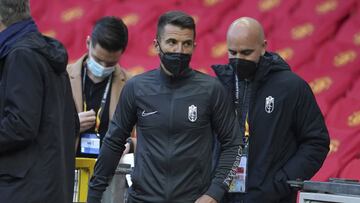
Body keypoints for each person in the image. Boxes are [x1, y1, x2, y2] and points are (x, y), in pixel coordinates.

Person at [87, 11, 242, 203]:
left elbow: (233, 144)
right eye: (171, 42)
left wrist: (215, 192)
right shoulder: (136, 88)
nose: (179, 50)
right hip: (142, 199)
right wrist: (94, 195)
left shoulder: (211, 90)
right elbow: (113, 143)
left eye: (186, 44)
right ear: (156, 45)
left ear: (194, 46)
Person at [212, 17, 330, 203]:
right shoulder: (218, 87)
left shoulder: (292, 88)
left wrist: (280, 183)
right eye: (232, 52)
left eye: (246, 52)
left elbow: (316, 143)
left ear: (263, 46)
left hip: (271, 198)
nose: (238, 59)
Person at [0, 0, 78, 202]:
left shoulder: (21, 56)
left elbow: (20, 125)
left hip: (22, 190)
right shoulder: (42, 52)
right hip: (48, 188)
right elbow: (73, 124)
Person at [66, 16, 134, 202]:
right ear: (88, 42)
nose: (103, 67)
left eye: (110, 63)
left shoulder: (131, 85)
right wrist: (71, 124)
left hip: (110, 177)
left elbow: (145, 134)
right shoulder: (62, 77)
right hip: (68, 172)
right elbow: (42, 129)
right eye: (98, 59)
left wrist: (131, 144)